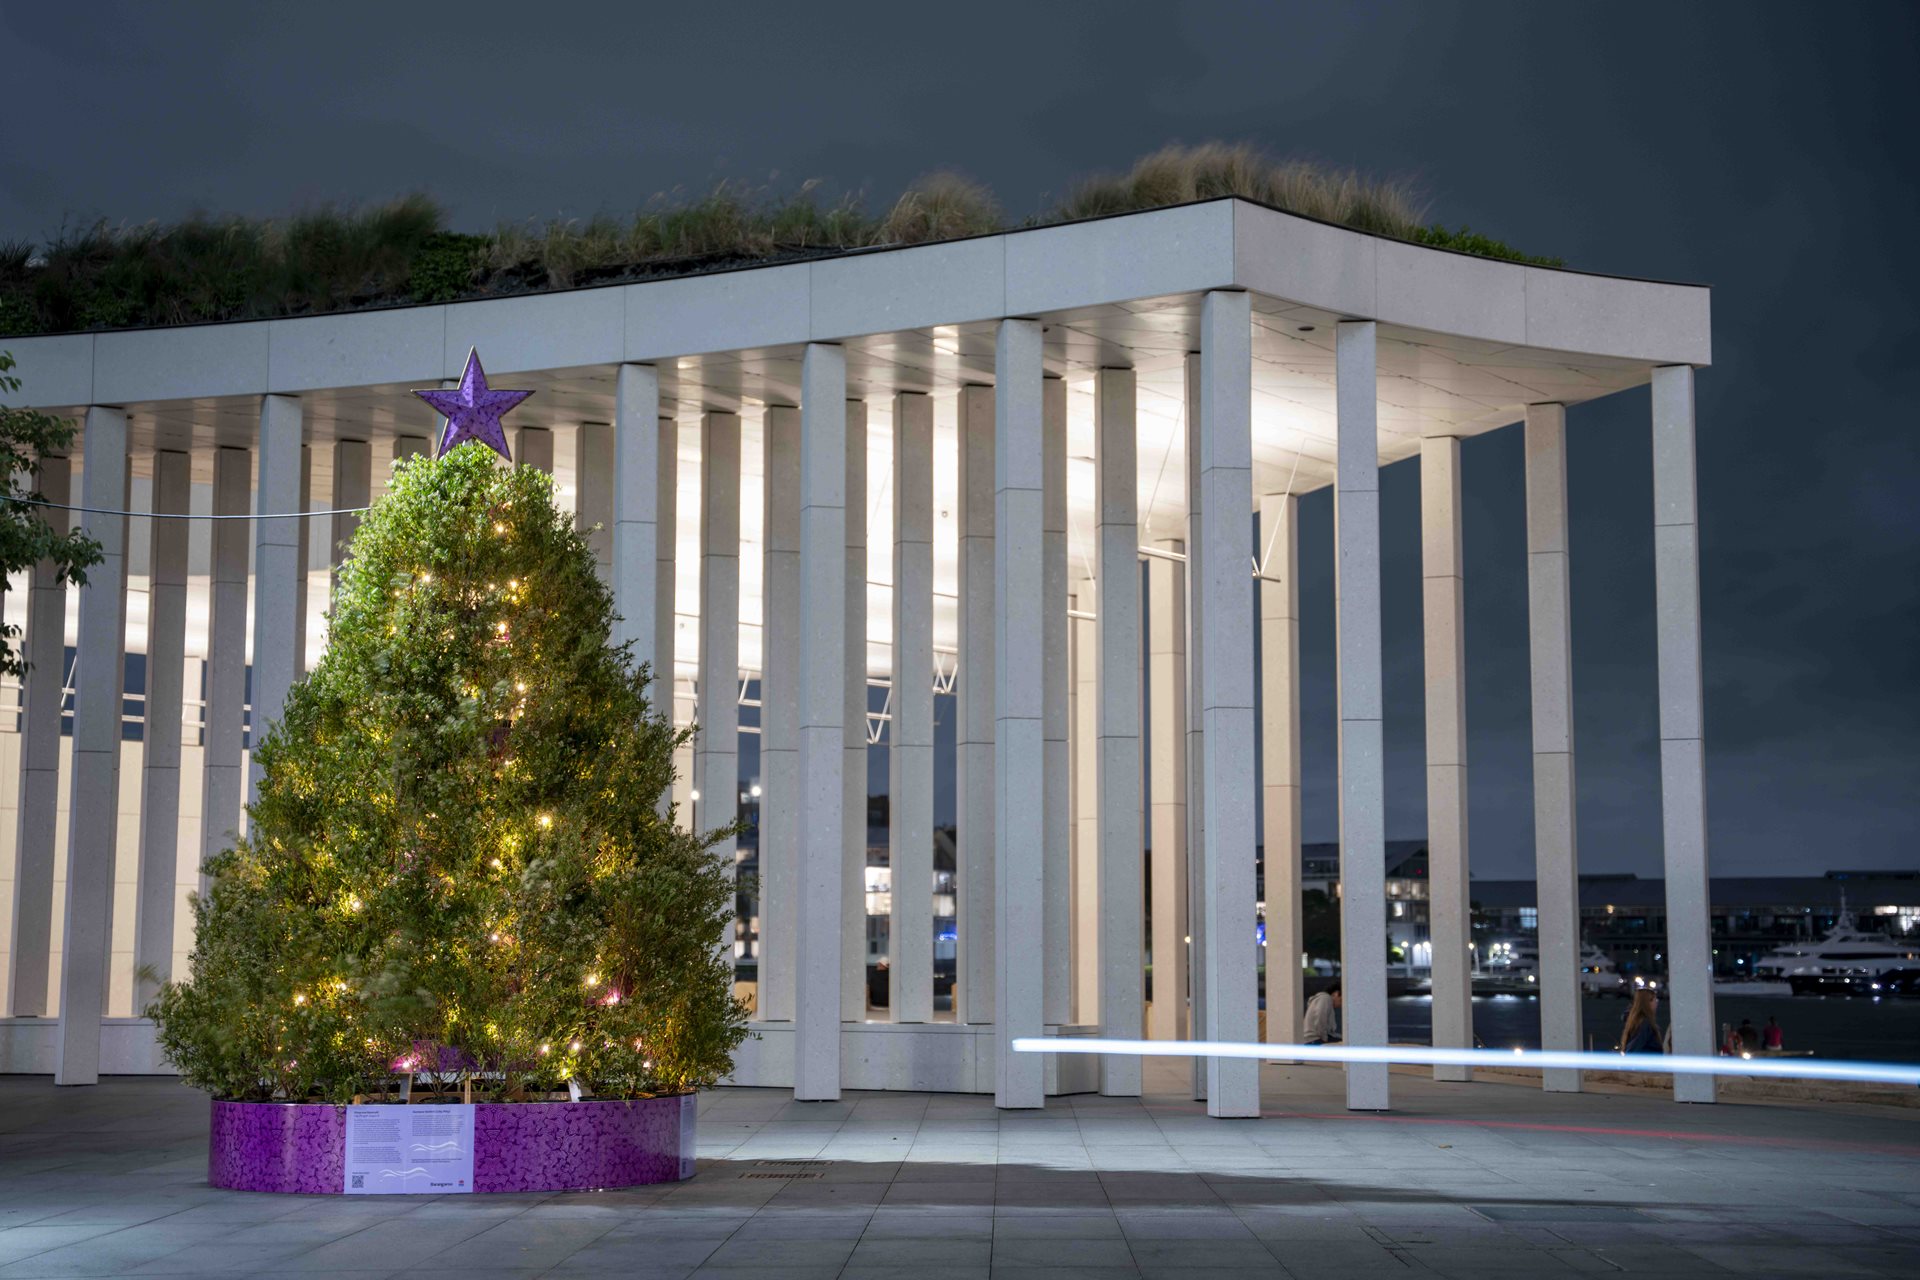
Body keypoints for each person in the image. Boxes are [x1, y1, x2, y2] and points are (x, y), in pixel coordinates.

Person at [1619, 988, 1663, 1055]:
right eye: (1655, 1000)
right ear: (1648, 1002)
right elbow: (1634, 1048)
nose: (1656, 1003)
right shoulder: (1644, 1024)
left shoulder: (1636, 1022)